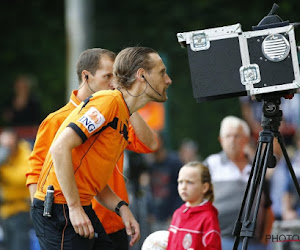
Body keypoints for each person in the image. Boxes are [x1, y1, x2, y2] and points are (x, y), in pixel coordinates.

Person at [31, 46, 172, 250]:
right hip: (62, 210)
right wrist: (73, 207)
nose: (168, 80)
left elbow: (92, 178)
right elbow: (59, 148)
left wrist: (122, 208)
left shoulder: (119, 110)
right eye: (162, 72)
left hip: (82, 206)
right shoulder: (108, 102)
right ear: (142, 75)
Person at [204, 116, 272, 250]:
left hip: (253, 242)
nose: (232, 140)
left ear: (246, 139)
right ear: (221, 140)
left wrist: (265, 238)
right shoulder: (211, 164)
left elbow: (268, 206)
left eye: (237, 136)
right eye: (228, 136)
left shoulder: (257, 167)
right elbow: (198, 200)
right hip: (219, 239)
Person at [166, 161, 221, 250]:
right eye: (180, 182)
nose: (183, 187)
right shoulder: (178, 213)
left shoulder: (209, 217)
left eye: (189, 182)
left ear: (204, 187)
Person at [0, 128, 32, 250]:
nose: (6, 147)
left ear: (15, 141)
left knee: (19, 246)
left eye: (9, 143)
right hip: (3, 211)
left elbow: (22, 178)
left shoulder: (24, 151)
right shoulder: (2, 155)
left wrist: (3, 169)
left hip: (20, 210)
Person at [147, 132, 183, 232]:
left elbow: (181, 189)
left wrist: (175, 213)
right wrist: (150, 212)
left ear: (162, 142)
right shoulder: (150, 165)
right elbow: (148, 190)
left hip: (171, 218)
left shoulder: (174, 162)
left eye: (154, 139)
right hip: (155, 219)